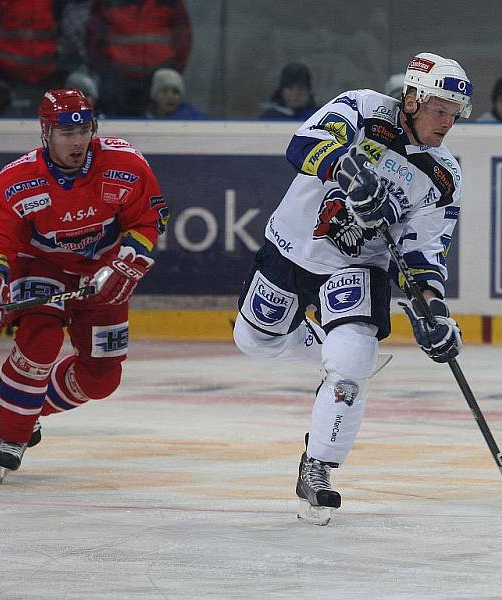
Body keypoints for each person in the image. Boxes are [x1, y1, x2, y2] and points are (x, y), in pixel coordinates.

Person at [233, 52, 469, 524]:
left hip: (359, 266)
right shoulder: (362, 108)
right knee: (254, 340)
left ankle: (317, 466)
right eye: (439, 108)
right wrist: (346, 171)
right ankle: (330, 357)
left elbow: (423, 256)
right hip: (294, 245)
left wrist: (435, 312)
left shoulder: (444, 178)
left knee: (352, 362)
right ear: (412, 97)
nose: (447, 122)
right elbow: (302, 145)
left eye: (454, 114)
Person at [0, 88, 169, 481]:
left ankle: (29, 404)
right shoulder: (17, 180)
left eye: (84, 131)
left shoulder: (125, 165)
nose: (77, 141)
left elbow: (148, 219)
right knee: (40, 340)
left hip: (103, 269)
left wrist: (125, 264)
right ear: (46, 133)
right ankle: (13, 433)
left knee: (102, 378)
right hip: (40, 263)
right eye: (65, 132)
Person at [87, 0, 191, 115]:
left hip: (156, 78)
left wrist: (169, 72)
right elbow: (94, 39)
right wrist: (106, 72)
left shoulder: (169, 3)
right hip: (116, 81)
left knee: (157, 124)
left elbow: (182, 39)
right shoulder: (108, 3)